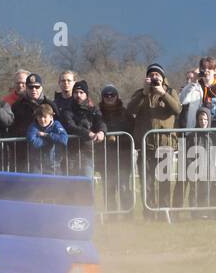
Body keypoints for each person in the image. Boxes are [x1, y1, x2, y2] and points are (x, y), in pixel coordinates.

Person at [126, 64, 181, 218]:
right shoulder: (140, 93)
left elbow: (177, 109)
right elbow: (130, 110)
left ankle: (164, 213)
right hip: (145, 146)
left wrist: (163, 93)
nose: (155, 77)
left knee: (163, 182)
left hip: (165, 145)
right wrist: (144, 93)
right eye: (152, 75)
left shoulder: (170, 92)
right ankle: (149, 214)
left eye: (158, 74)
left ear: (163, 78)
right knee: (147, 182)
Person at [97, 84, 132, 213]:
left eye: (112, 95)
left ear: (117, 96)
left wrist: (118, 138)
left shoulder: (125, 112)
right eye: (106, 95)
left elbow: (131, 132)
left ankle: (128, 215)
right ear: (102, 97)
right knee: (109, 188)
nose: (109, 97)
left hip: (123, 155)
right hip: (105, 157)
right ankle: (111, 216)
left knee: (123, 187)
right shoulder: (97, 113)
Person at [60, 80, 105, 179]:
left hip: (87, 153)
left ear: (86, 94)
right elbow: (70, 126)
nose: (78, 95)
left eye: (81, 92)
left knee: (87, 185)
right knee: (70, 187)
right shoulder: (67, 110)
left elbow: (100, 121)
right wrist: (87, 133)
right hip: (70, 154)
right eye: (76, 92)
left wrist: (102, 132)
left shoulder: (93, 109)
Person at [25, 103, 69, 175]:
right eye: (39, 117)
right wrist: (50, 142)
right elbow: (32, 140)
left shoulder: (56, 125)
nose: (42, 120)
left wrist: (47, 135)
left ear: (51, 117)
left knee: (57, 185)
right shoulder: (34, 126)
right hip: (37, 165)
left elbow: (64, 139)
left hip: (54, 164)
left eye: (45, 117)